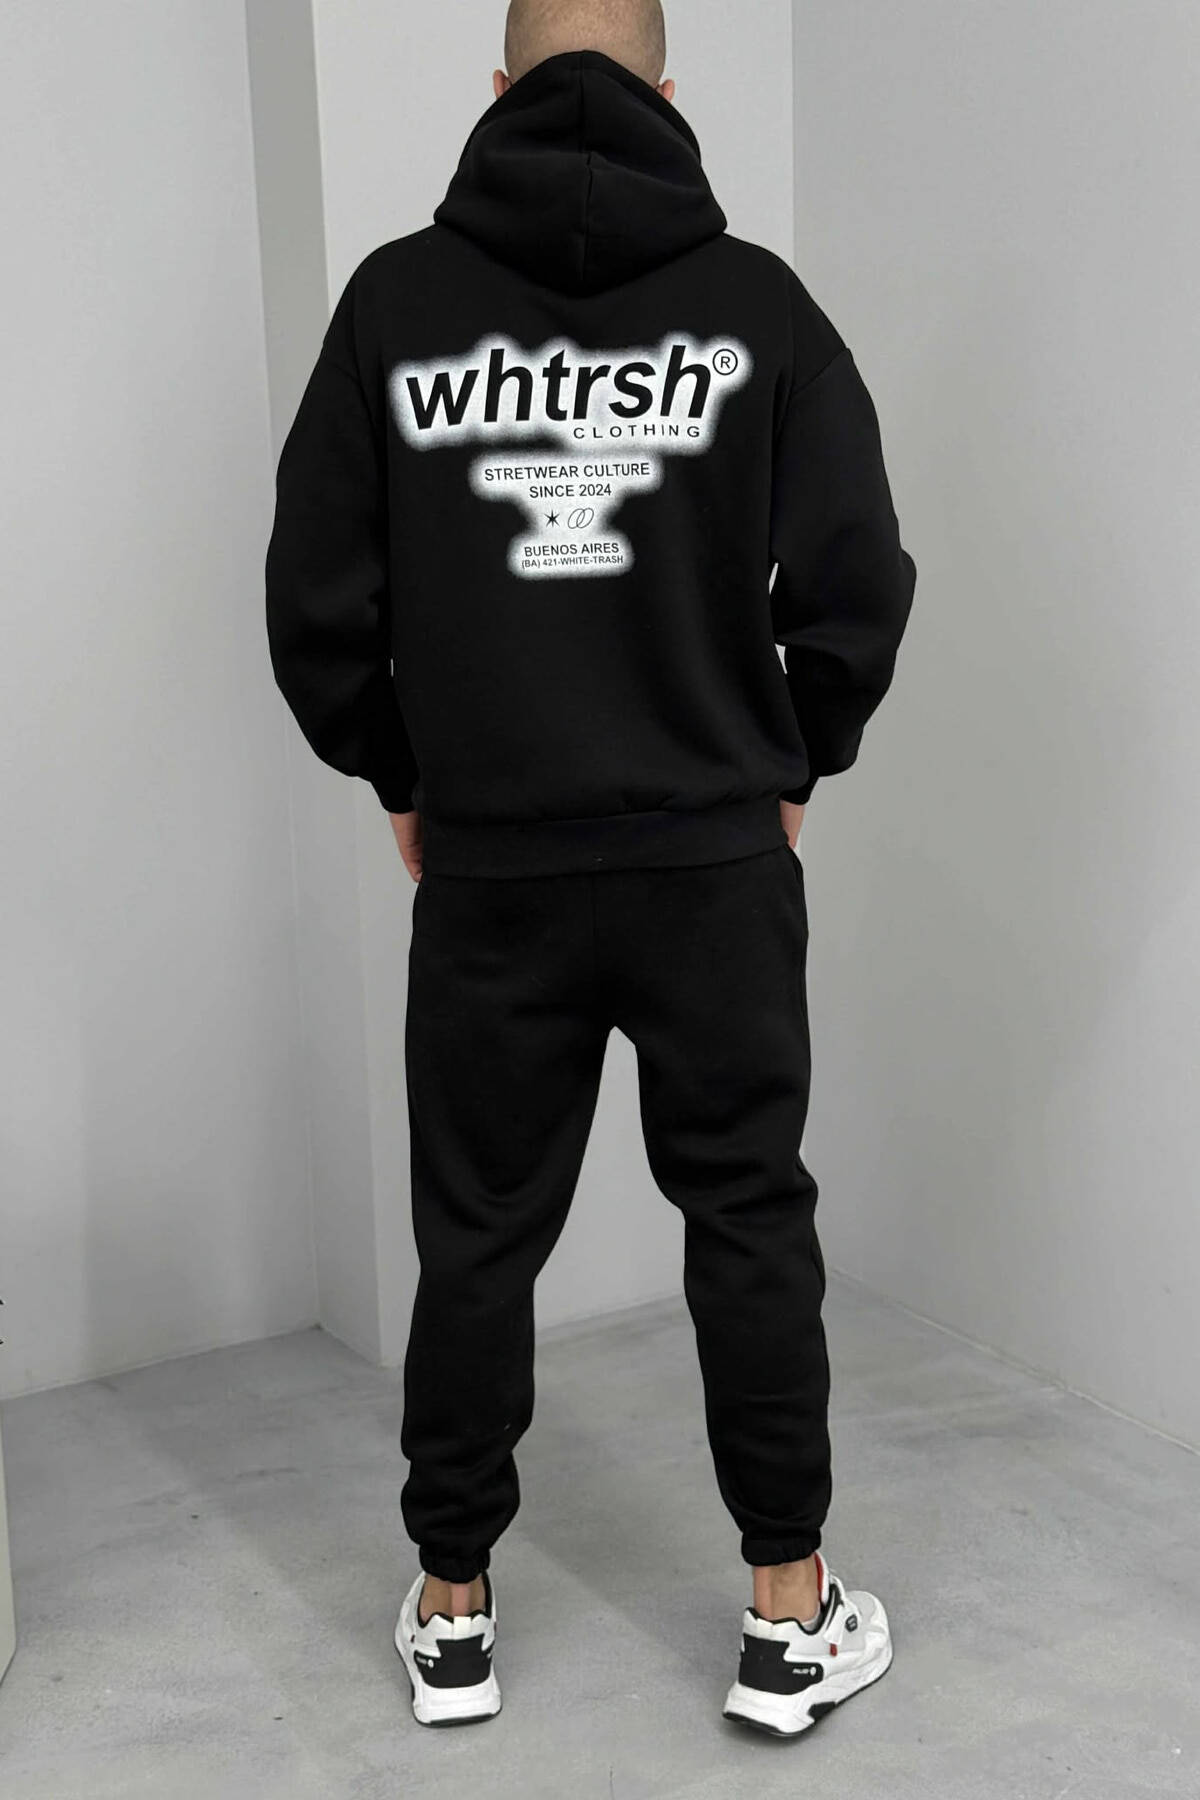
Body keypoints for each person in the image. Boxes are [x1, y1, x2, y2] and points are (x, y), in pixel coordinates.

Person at [265, 0, 916, 1738]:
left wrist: (406, 772)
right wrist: (793, 757)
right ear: (667, 89)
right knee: (748, 1215)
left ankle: (454, 1611)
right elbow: (859, 575)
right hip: (712, 867)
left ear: (497, 88)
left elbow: (314, 598)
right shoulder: (760, 308)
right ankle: (789, 1615)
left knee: (477, 1237)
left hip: (495, 874)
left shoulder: (396, 308)